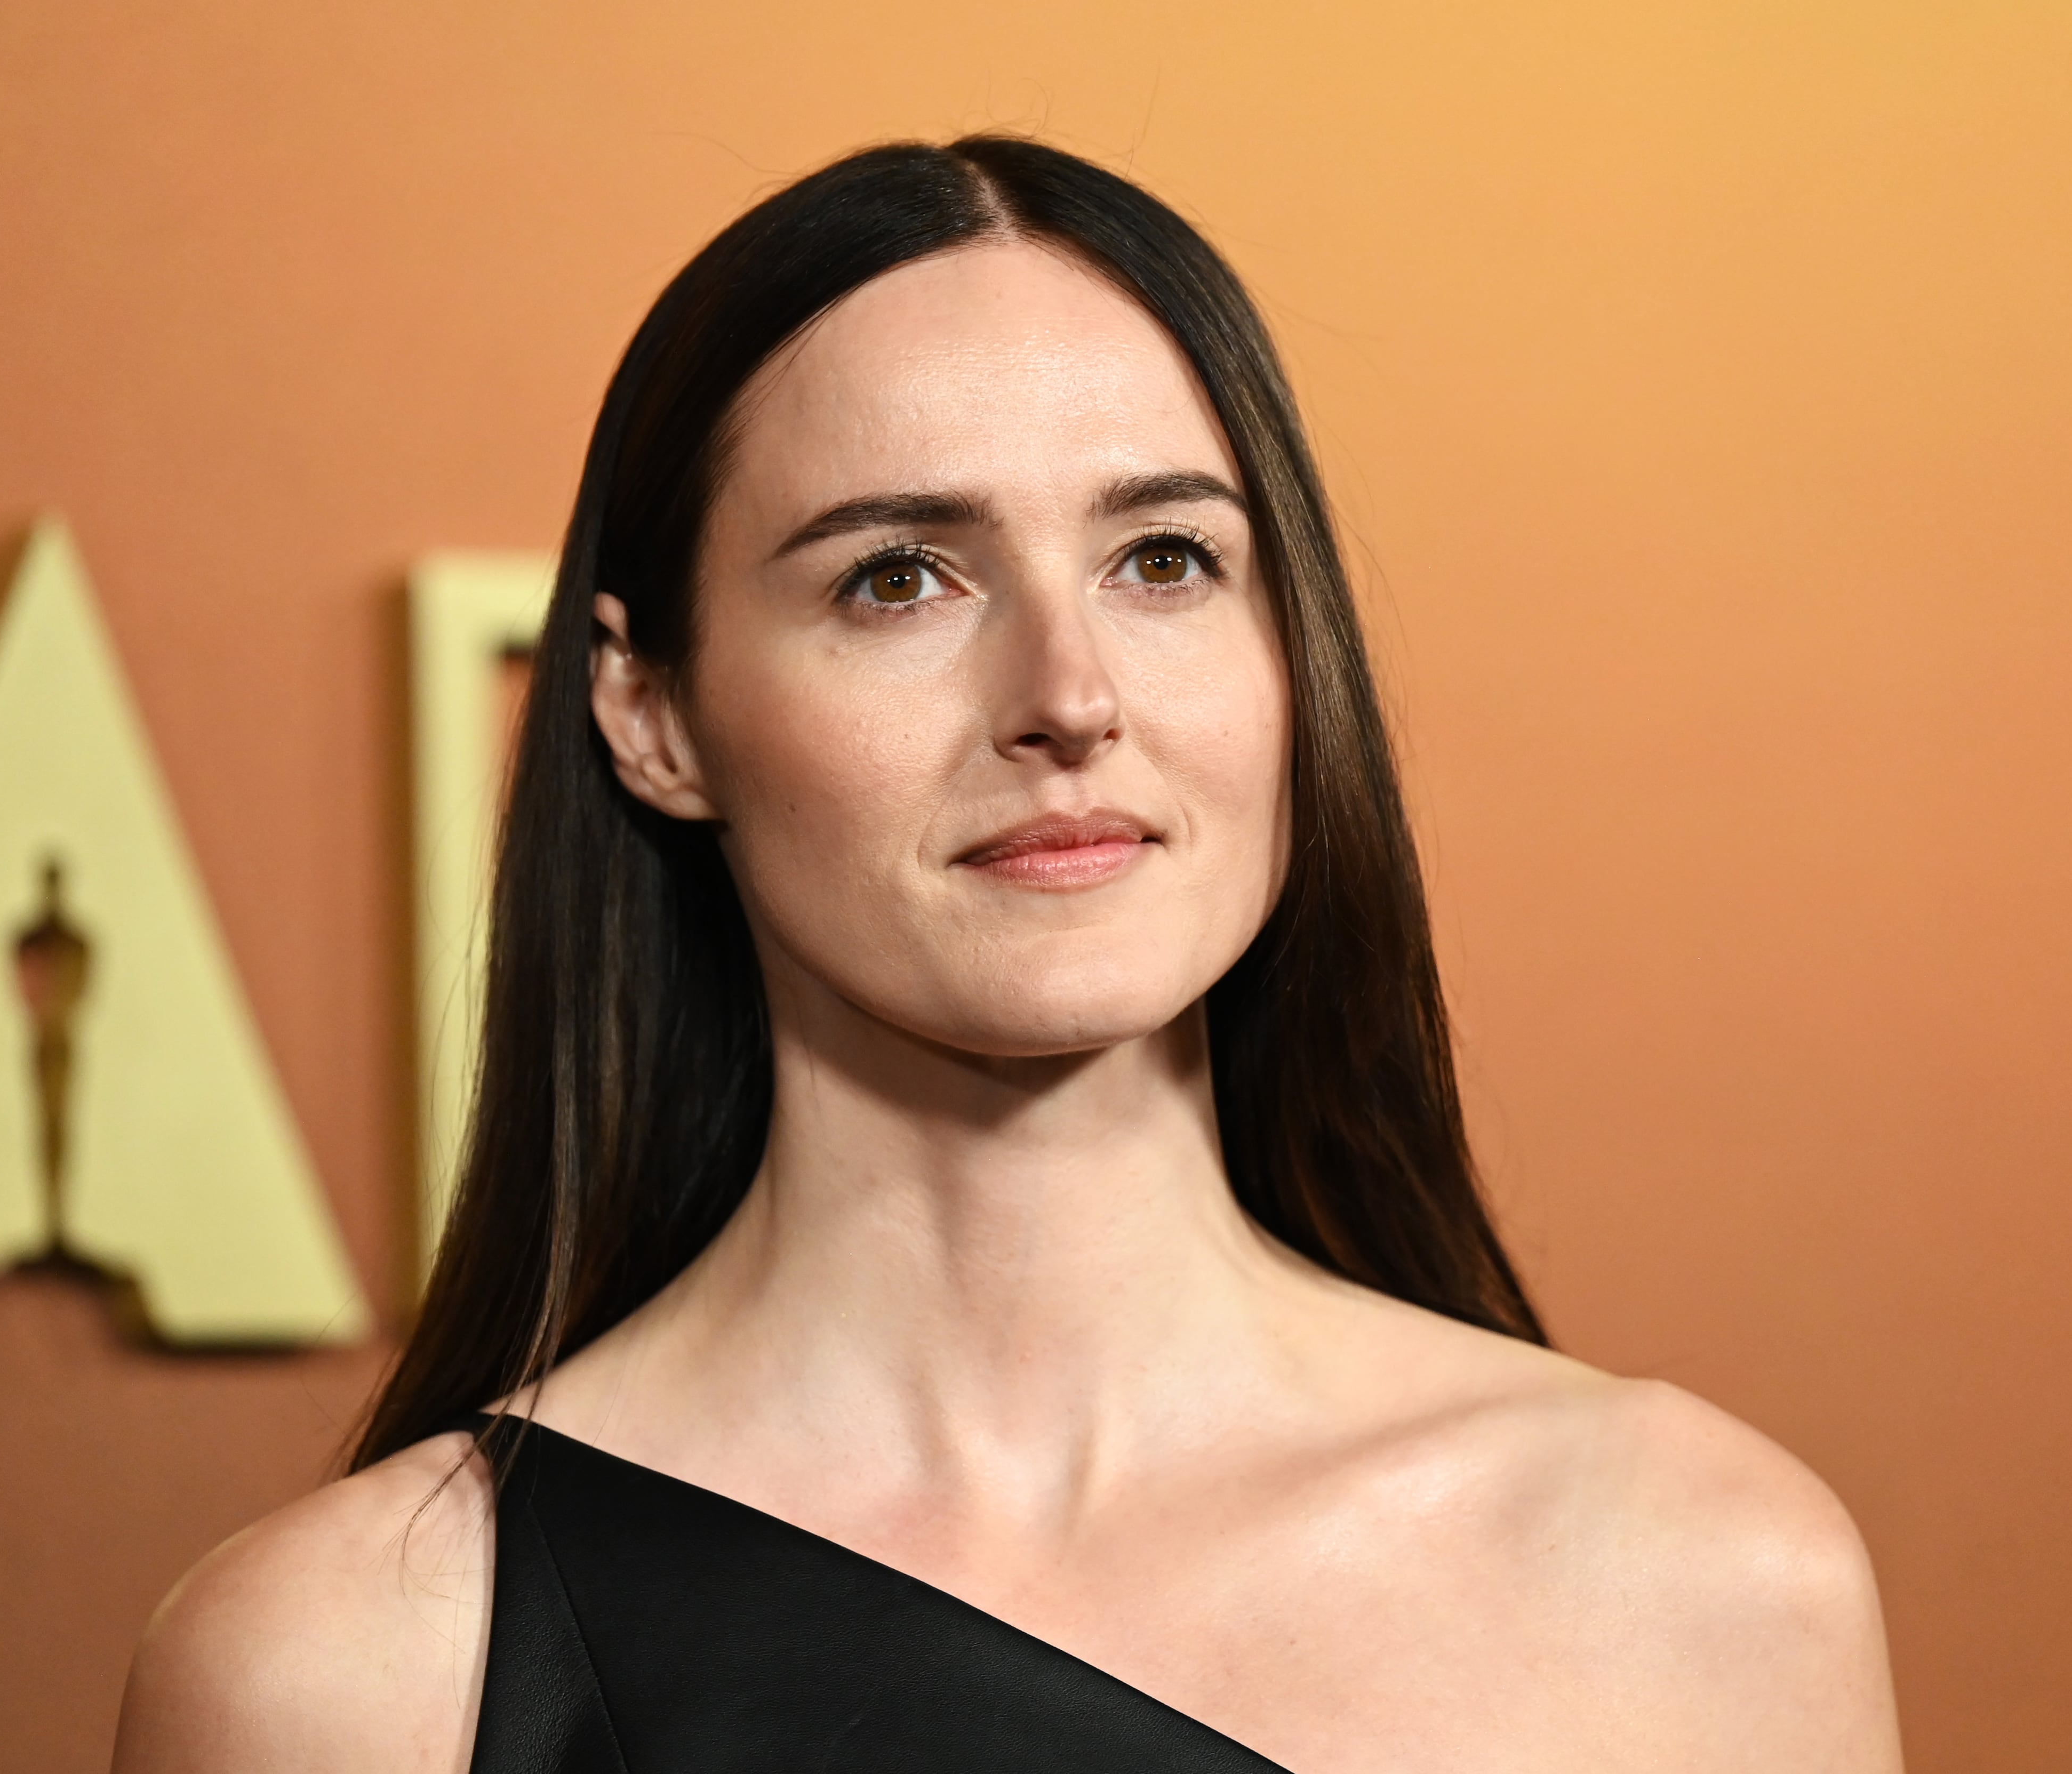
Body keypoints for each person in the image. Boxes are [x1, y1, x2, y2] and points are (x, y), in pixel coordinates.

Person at [113, 136, 1901, 1773]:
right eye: (901, 577)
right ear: (650, 713)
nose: (1068, 697)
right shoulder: (355, 1669)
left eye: (1166, 560)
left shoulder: (1701, 1581)